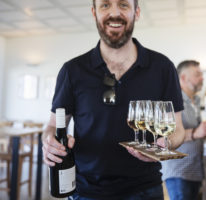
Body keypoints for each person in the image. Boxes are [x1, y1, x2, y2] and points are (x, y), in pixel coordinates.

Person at [42, 0, 185, 199]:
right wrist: (49, 141)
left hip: (146, 189)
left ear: (137, 12)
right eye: (105, 5)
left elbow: (178, 130)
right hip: (86, 191)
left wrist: (165, 144)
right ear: (94, 12)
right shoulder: (72, 70)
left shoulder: (162, 67)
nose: (114, 13)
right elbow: (53, 125)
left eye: (124, 5)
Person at [161, 60, 206, 200]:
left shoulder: (196, 100)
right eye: (197, 74)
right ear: (183, 78)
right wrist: (196, 132)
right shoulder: (171, 100)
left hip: (195, 170)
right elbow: (165, 136)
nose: (202, 78)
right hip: (179, 172)